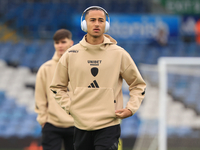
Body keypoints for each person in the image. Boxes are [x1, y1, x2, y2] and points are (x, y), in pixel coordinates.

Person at [50, 6, 146, 150]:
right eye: (92, 20)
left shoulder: (119, 53)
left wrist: (131, 108)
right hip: (81, 125)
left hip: (109, 125)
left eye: (101, 20)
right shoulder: (71, 54)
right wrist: (71, 108)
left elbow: (138, 85)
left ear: (106, 25)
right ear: (84, 24)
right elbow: (57, 86)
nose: (96, 24)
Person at [35, 29, 74, 150]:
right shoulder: (45, 68)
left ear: (71, 43)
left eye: (63, 42)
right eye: (57, 42)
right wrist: (43, 120)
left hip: (76, 124)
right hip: (52, 124)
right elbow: (40, 97)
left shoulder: (80, 67)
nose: (60, 45)